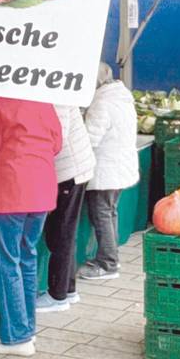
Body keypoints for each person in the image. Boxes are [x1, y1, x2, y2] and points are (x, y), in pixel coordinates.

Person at [0, 96, 62, 356]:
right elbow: (56, 144)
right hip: (42, 190)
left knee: (7, 263)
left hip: (9, 191)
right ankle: (27, 330)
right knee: (27, 258)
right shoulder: (43, 101)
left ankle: (17, 336)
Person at [77, 63, 140, 281]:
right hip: (120, 168)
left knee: (102, 214)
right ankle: (111, 257)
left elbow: (90, 138)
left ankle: (107, 263)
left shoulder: (101, 103)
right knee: (110, 211)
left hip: (106, 169)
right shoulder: (122, 98)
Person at [35, 105, 95, 313]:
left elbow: (56, 137)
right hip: (73, 168)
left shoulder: (56, 95)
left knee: (62, 233)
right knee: (64, 231)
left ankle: (57, 295)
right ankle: (68, 289)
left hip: (69, 171)